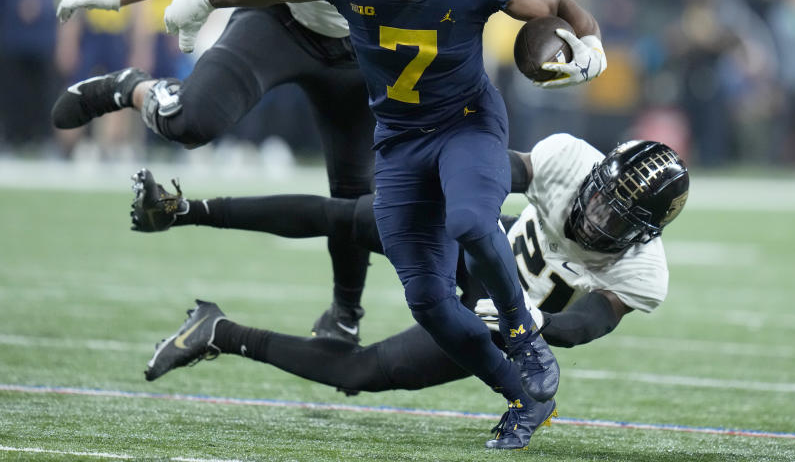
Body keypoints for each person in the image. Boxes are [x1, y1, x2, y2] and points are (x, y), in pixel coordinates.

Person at [148, 0, 607, 450]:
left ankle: (522, 333)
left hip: (466, 122)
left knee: (471, 219)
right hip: (394, 137)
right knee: (431, 304)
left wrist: (590, 41)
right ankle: (522, 397)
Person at [51, 0, 484, 344]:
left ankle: (345, 314)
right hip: (282, 20)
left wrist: (557, 25)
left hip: (366, 48)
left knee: (353, 198)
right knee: (191, 121)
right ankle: (130, 88)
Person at [138, 135, 686, 423]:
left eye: (616, 220)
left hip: (501, 320)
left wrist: (529, 321)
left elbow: (587, 325)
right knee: (350, 217)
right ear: (595, 175)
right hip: (481, 247)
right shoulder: (568, 159)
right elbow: (496, 173)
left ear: (644, 233)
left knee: (361, 373)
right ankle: (187, 209)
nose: (595, 219)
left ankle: (219, 332)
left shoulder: (644, 271)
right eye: (599, 200)